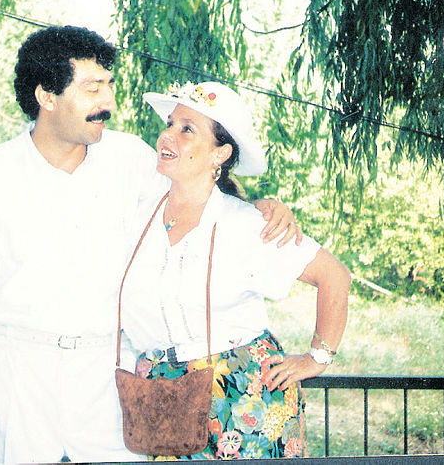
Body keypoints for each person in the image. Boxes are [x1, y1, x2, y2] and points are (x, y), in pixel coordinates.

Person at [0, 26, 301, 464]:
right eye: (92, 88)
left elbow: (198, 193)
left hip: (109, 374)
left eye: (109, 86)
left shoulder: (131, 159)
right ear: (46, 96)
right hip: (17, 377)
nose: (109, 102)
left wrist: (259, 207)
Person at [119, 81, 351, 460]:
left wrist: (316, 358)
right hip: (163, 393)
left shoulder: (247, 224)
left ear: (220, 154)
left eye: (187, 129)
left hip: (245, 396)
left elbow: (335, 276)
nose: (168, 135)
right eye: (170, 123)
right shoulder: (139, 212)